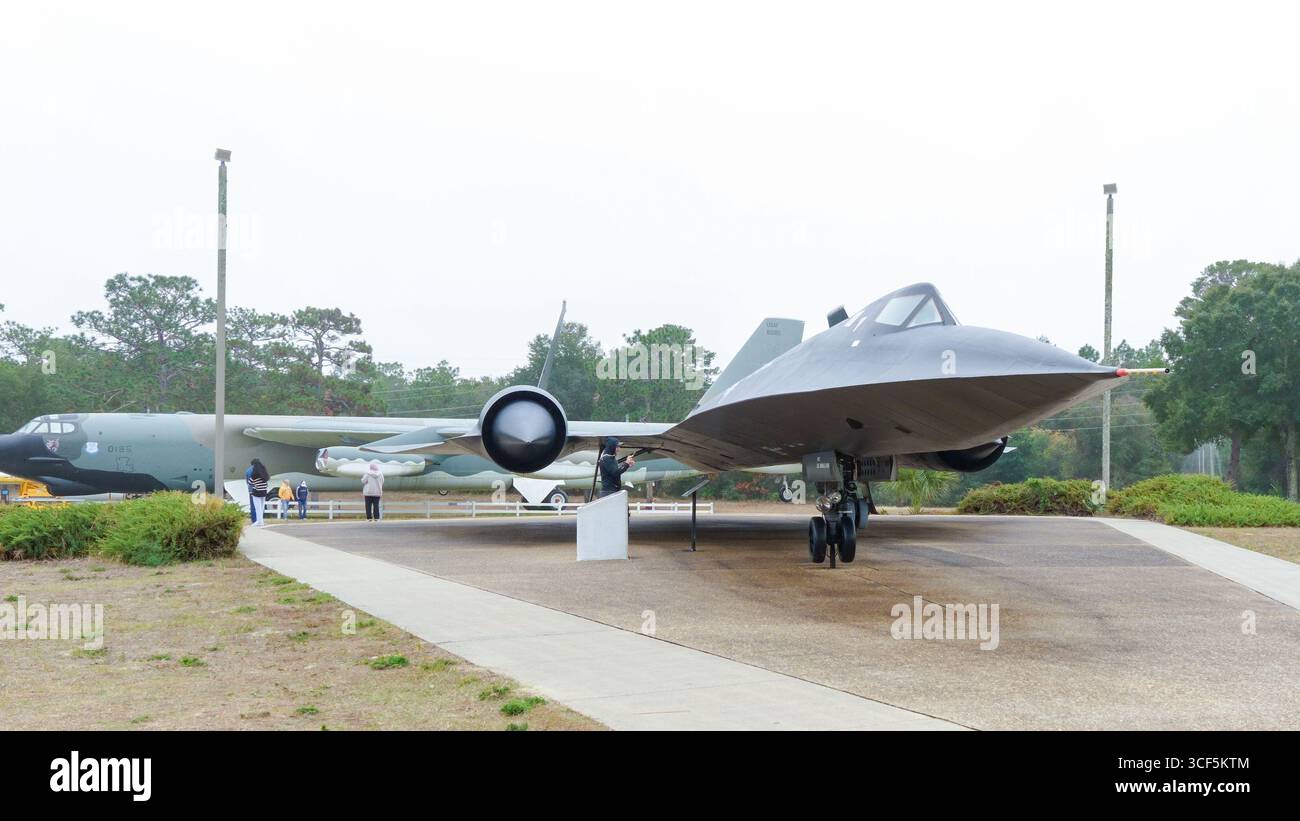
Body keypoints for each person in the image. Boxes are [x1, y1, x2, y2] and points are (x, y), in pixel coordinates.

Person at [248, 458, 270, 526]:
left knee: (258, 508)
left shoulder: (254, 474)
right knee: (262, 507)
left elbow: (250, 483)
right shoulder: (264, 473)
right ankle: (261, 521)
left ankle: (259, 522)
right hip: (264, 492)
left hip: (257, 492)